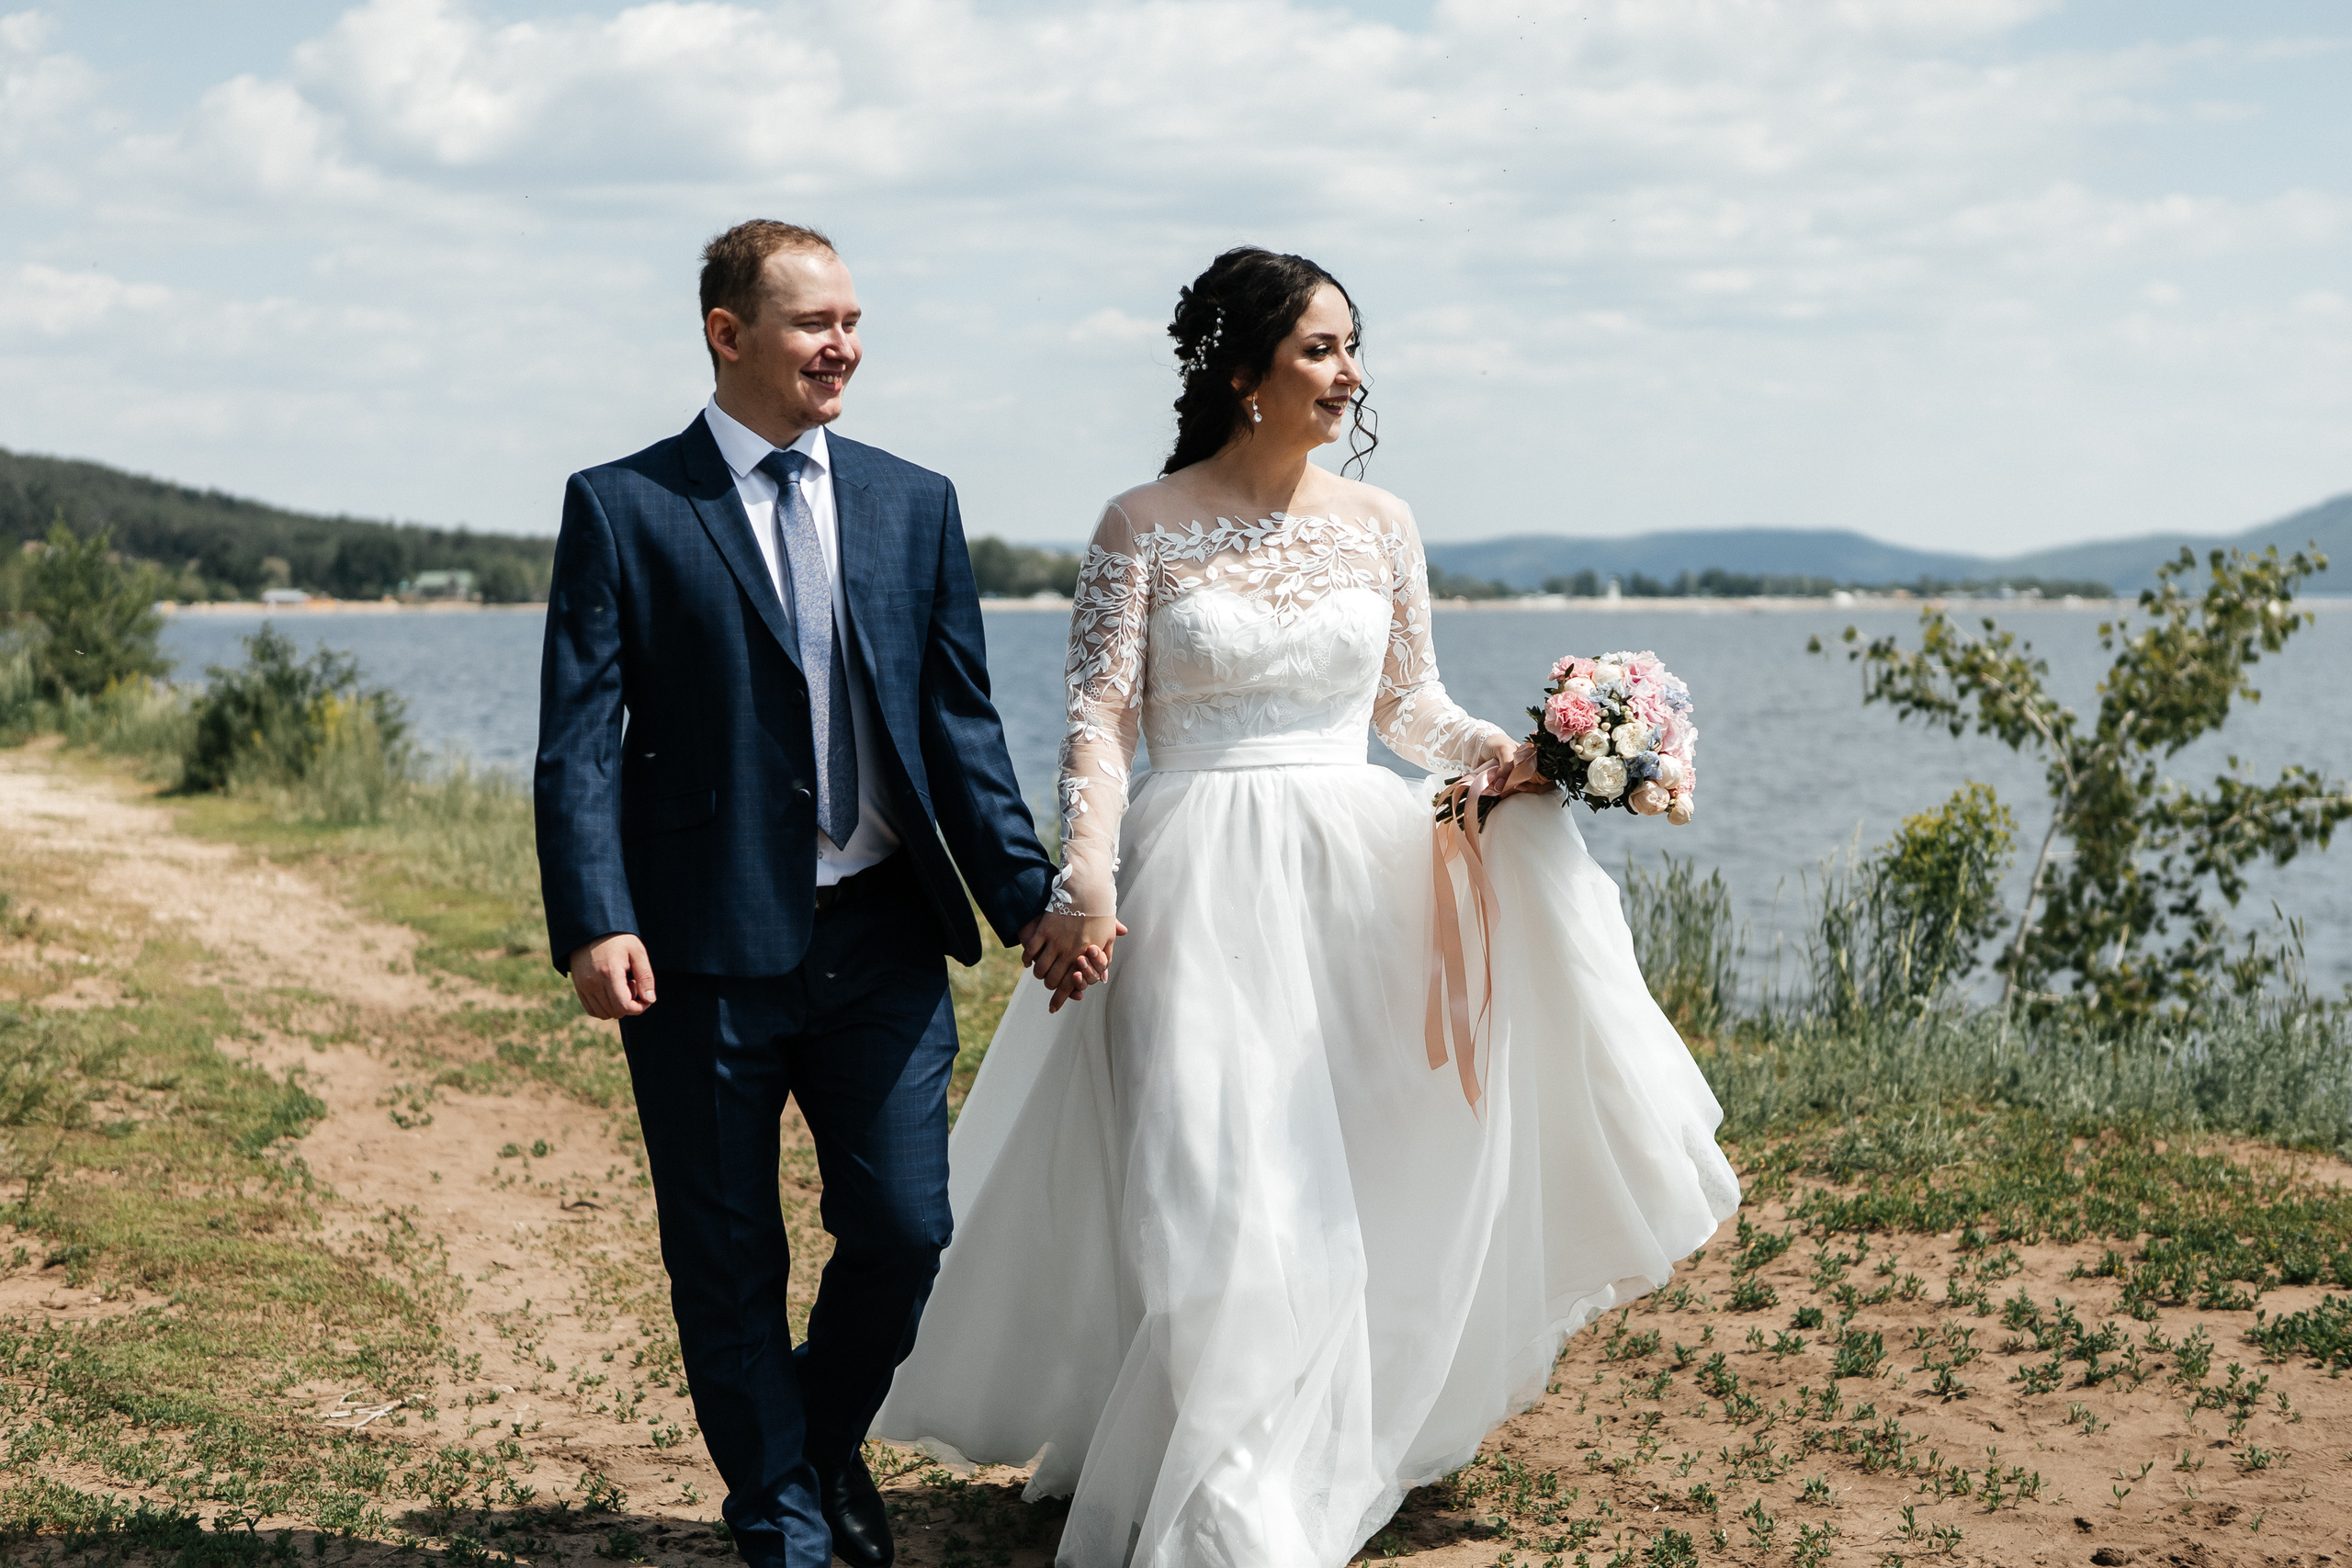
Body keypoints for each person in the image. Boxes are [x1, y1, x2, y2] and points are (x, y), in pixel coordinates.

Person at [874, 247, 1743, 1566]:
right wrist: (1086, 876)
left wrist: (1515, 755)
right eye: (1321, 350)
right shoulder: (1139, 525)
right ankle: (1233, 1508)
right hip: (1192, 874)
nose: (1351, 374)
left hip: (1355, 874)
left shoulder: (1382, 523)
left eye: (1353, 347)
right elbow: (1100, 721)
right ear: (1244, 372)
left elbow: (1407, 706)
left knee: (1337, 1178)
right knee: (1208, 1177)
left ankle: (1293, 1456)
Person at [535, 220, 1096, 1568]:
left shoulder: (914, 501)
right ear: (728, 334)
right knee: (728, 1255)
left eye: (852, 322)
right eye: (812, 323)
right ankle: (783, 1522)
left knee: (905, 1228)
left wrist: (1030, 896)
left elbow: (959, 729)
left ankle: (816, 1439)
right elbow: (579, 737)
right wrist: (596, 915)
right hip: (698, 950)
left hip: (884, 936)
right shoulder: (623, 505)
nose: (842, 346)